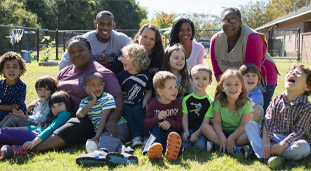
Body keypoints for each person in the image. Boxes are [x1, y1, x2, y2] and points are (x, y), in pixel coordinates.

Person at [30, 36, 127, 153]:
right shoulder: (64, 72)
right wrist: (36, 102)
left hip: (85, 119)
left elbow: (117, 97)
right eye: (72, 52)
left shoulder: (102, 73)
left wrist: (111, 121)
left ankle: (29, 149)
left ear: (90, 51)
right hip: (59, 116)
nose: (76, 54)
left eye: (80, 50)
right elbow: (53, 94)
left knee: (73, 126)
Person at [210, 7, 278, 114]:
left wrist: (235, 92)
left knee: (254, 113)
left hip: (259, 76)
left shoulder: (252, 38)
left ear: (240, 22)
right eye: (225, 20)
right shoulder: (215, 39)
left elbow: (251, 72)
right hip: (238, 78)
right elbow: (217, 71)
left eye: (233, 20)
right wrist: (224, 91)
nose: (229, 23)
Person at [245, 63, 311, 170]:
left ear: (307, 87)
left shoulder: (306, 106)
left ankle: (263, 154)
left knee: (304, 147)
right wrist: (266, 141)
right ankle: (268, 154)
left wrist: (283, 144)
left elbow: (300, 131)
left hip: (290, 142)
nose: (292, 73)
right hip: (272, 137)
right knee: (250, 126)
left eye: (298, 73)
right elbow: (268, 121)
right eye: (290, 71)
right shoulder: (277, 99)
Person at [75, 72, 138, 166]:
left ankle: (101, 153)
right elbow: (80, 115)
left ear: (103, 85)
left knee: (108, 137)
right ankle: (125, 155)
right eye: (93, 85)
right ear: (85, 88)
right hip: (104, 130)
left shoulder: (107, 98)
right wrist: (93, 100)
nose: (97, 87)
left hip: (117, 126)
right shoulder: (85, 102)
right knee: (113, 140)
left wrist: (97, 136)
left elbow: (104, 118)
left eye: (100, 84)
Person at [0, 91, 73, 160]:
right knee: (5, 133)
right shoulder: (52, 117)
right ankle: (13, 149)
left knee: (2, 134)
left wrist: (34, 142)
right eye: (53, 106)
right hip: (35, 134)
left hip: (37, 137)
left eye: (59, 105)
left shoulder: (65, 114)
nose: (56, 109)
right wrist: (13, 129)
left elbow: (50, 129)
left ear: (67, 104)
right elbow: (34, 127)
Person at [59, 10, 131, 74]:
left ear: (113, 25)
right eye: (101, 24)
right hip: (88, 77)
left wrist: (115, 61)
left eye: (109, 24)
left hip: (114, 76)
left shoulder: (121, 39)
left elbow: (135, 55)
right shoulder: (84, 40)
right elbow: (63, 65)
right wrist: (93, 64)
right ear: (95, 24)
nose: (105, 28)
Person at [202, 69, 253, 154]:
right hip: (221, 132)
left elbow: (244, 125)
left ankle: (218, 146)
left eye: (236, 84)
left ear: (242, 88)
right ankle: (236, 149)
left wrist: (231, 138)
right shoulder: (218, 102)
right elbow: (217, 123)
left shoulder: (246, 103)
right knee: (205, 127)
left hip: (238, 134)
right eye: (228, 84)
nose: (232, 87)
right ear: (222, 88)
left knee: (250, 134)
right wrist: (222, 136)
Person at [117, 44, 152, 148]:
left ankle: (146, 136)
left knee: (138, 112)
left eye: (125, 57)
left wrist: (146, 100)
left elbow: (149, 91)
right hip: (126, 104)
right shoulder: (121, 76)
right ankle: (136, 137)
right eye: (122, 56)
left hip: (138, 103)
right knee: (128, 112)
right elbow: (116, 91)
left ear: (136, 60)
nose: (122, 59)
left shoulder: (145, 76)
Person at [143, 71, 182, 160]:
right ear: (160, 91)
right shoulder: (153, 104)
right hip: (157, 132)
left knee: (172, 132)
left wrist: (170, 122)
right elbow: (146, 124)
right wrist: (157, 118)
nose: (175, 90)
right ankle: (153, 149)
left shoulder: (177, 104)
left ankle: (173, 151)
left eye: (175, 87)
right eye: (170, 88)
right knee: (157, 129)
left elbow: (180, 124)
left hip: (171, 132)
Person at [182, 64, 214, 151]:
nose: (200, 81)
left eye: (204, 79)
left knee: (200, 146)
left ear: (210, 81)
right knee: (184, 145)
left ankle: (210, 143)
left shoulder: (210, 101)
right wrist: (186, 131)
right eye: (197, 78)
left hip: (201, 131)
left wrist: (197, 134)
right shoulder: (186, 99)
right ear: (191, 80)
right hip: (188, 129)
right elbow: (185, 118)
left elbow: (206, 121)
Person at [132, 24, 165, 96]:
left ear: (156, 42)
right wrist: (118, 91)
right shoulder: (126, 56)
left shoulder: (161, 60)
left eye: (152, 39)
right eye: (145, 37)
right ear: (138, 37)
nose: (147, 40)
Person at [0, 51, 27, 121]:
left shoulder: (21, 86)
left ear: (20, 70)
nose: (11, 69)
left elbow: (14, 107)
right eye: (7, 67)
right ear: (2, 70)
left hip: (15, 112)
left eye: (15, 67)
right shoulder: (1, 84)